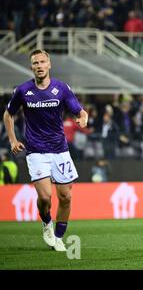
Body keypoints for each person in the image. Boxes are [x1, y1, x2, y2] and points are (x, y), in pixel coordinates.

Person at [3, 49, 88, 251]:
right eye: (35, 63)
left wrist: (83, 118)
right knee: (45, 197)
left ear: (49, 65)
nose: (39, 66)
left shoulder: (62, 88)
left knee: (66, 197)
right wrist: (13, 140)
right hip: (36, 151)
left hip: (60, 150)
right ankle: (46, 221)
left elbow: (79, 110)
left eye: (42, 62)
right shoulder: (23, 91)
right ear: (31, 67)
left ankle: (58, 236)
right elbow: (8, 115)